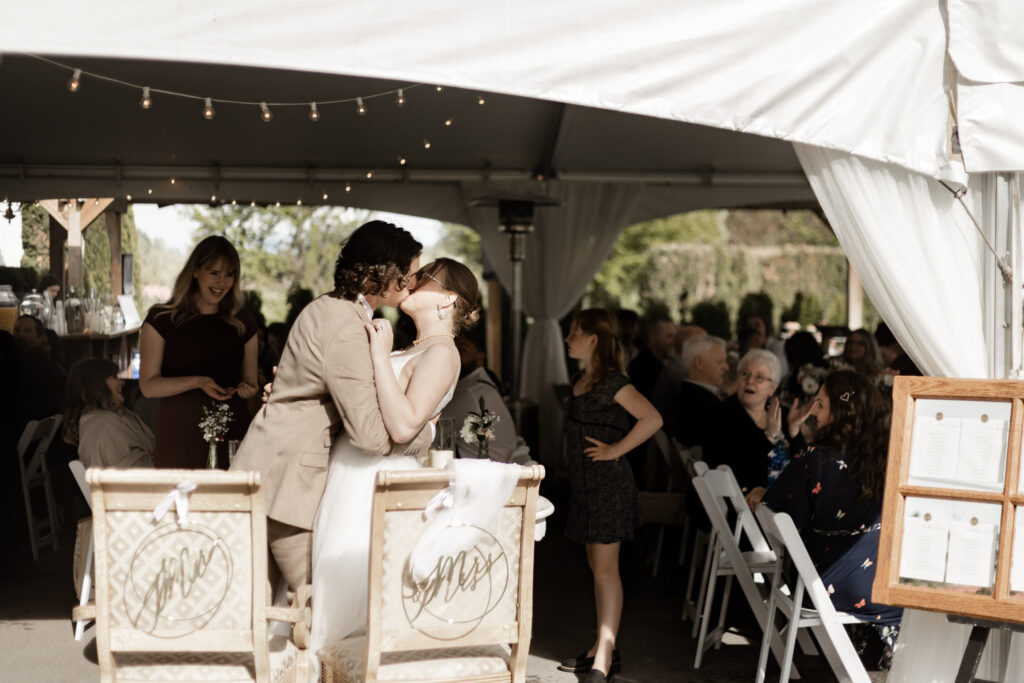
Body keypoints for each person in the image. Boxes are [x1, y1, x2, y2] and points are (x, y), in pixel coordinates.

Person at [230, 221, 431, 595]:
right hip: (289, 482)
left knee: (274, 610)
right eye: (409, 275)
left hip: (274, 465)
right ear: (382, 273)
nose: (413, 284)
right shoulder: (346, 326)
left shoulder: (331, 307)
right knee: (311, 605)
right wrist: (424, 432)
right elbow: (369, 434)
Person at [311, 257, 480, 648]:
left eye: (424, 277)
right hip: (350, 471)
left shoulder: (442, 354)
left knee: (343, 609)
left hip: (372, 482)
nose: (411, 280)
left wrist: (378, 354)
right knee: (325, 593)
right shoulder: (417, 347)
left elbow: (405, 425)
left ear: (447, 299)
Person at [763, 370, 901, 669]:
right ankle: (877, 649)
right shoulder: (892, 459)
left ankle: (861, 646)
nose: (813, 409)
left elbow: (783, 513)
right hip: (879, 587)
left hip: (820, 584)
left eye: (821, 405)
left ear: (841, 412)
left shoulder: (813, 457)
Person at [558, 309, 663, 683]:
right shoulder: (582, 380)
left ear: (593, 339)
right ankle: (601, 649)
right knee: (596, 568)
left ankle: (603, 655)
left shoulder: (614, 382)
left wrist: (615, 450)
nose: (568, 339)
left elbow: (652, 419)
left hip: (607, 488)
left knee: (605, 572)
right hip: (585, 489)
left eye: (574, 333)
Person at [139, 236, 258, 469]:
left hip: (230, 432)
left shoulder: (243, 321)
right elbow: (148, 386)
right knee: (179, 504)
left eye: (229, 275)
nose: (222, 283)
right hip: (178, 432)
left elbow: (251, 383)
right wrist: (197, 382)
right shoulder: (161, 319)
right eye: (214, 273)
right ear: (195, 272)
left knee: (228, 503)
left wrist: (248, 389)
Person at [705, 349, 791, 495]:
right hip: (742, 502)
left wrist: (794, 432)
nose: (749, 381)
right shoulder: (723, 415)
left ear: (773, 388)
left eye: (759, 377)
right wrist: (768, 437)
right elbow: (740, 471)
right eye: (744, 374)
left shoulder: (777, 413)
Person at [441, 331, 519, 461]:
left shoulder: (472, 392)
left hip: (482, 477)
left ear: (480, 358)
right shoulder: (477, 386)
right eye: (452, 348)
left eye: (461, 349)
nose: (454, 355)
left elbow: (429, 432)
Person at [63, 358, 154, 468]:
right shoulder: (104, 426)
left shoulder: (108, 419)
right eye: (115, 377)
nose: (122, 382)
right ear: (96, 385)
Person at [671, 335, 728, 449]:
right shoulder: (703, 405)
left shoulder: (687, 394)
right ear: (699, 363)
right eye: (720, 362)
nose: (726, 367)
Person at [626, 317, 675, 399]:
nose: (674, 341)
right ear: (653, 339)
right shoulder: (640, 368)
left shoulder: (665, 364)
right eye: (669, 336)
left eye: (675, 337)